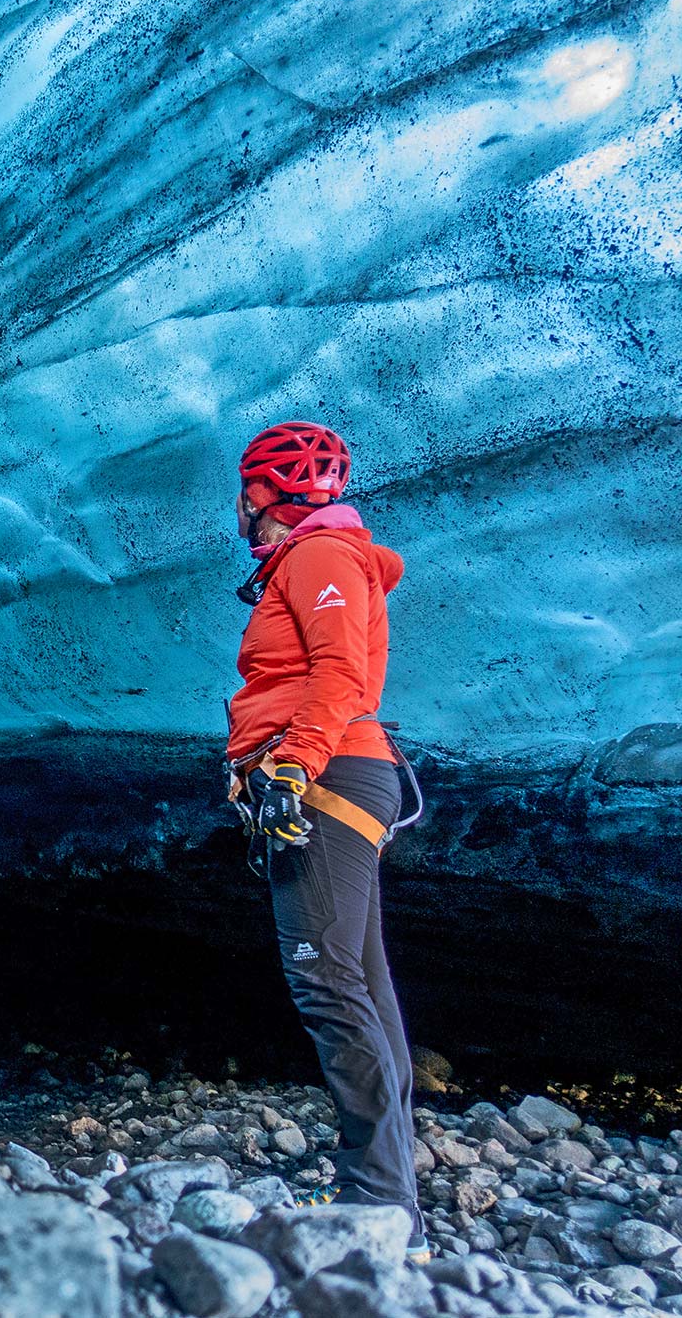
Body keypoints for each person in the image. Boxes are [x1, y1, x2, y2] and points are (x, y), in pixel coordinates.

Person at [224, 420, 430, 1263]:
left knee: (324, 979)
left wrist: (291, 768)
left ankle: (379, 1197)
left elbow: (339, 673)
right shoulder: (312, 560)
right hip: (340, 774)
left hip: (330, 777)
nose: (237, 505)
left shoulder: (317, 557)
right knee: (362, 983)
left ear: (259, 494)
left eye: (243, 490)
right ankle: (386, 1197)